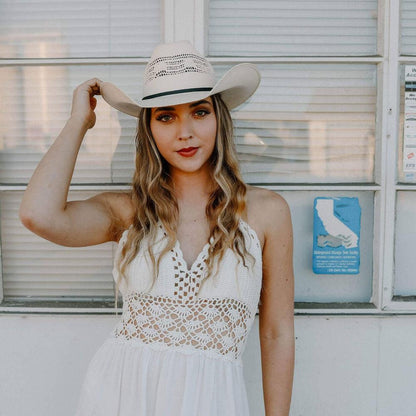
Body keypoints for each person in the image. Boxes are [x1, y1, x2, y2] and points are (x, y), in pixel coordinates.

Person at [19, 41, 294, 416]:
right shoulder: (127, 211)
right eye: (166, 116)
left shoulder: (267, 212)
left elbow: (276, 333)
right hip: (123, 395)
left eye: (199, 112)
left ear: (220, 119)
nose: (185, 132)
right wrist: (77, 123)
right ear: (148, 129)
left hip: (213, 400)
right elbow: (39, 215)